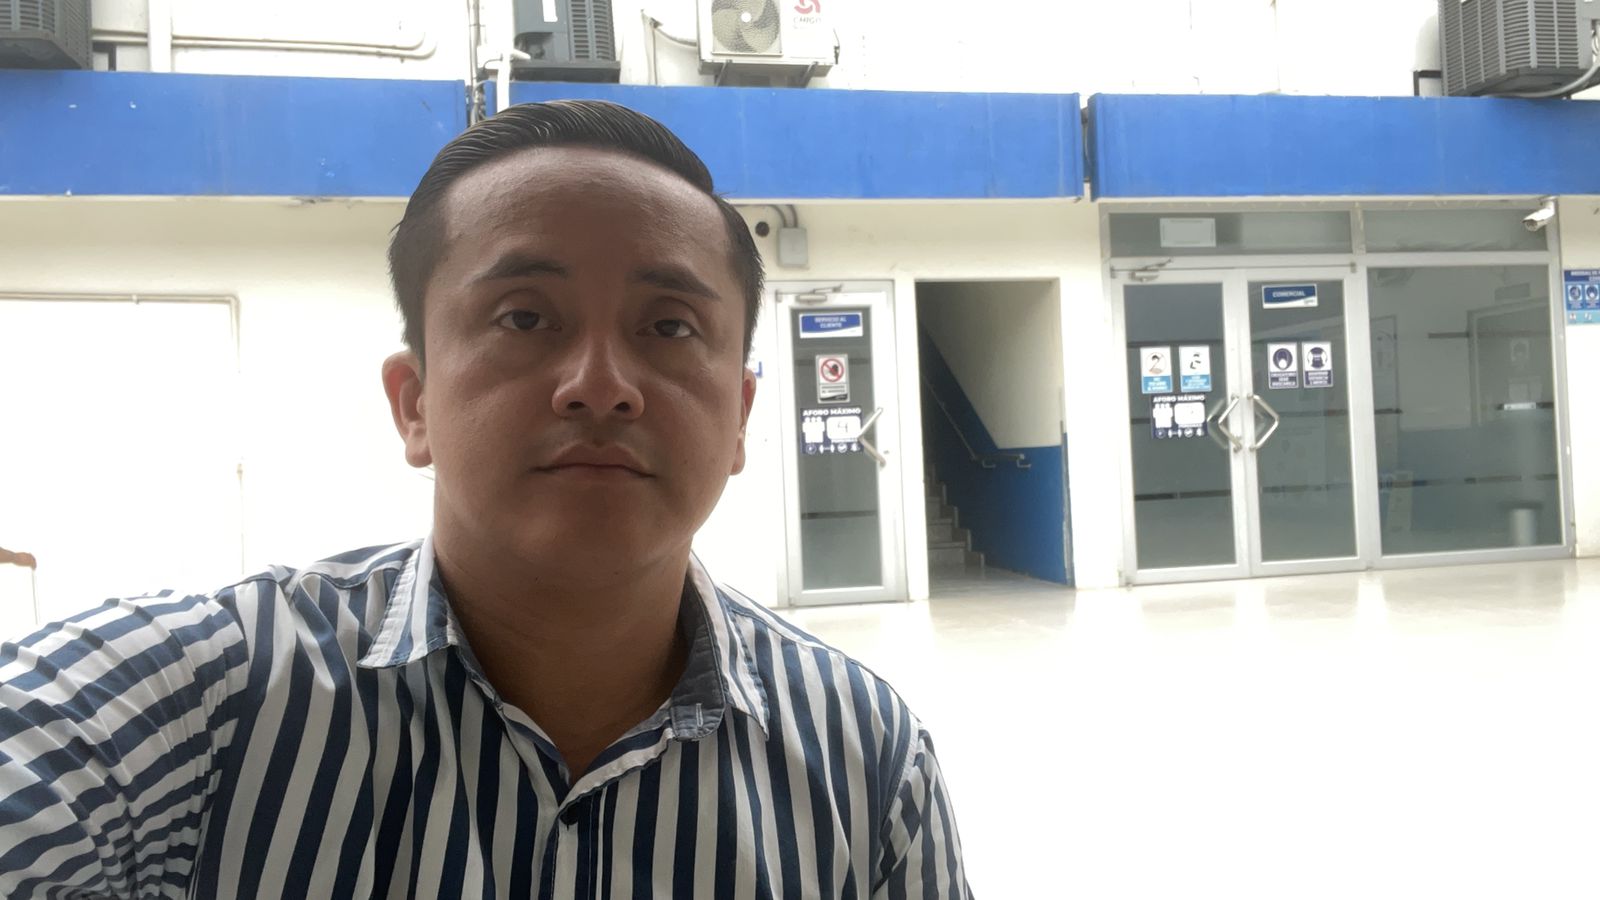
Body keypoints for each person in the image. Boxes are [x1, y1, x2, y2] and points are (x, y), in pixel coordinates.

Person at [0, 100, 970, 898]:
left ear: (741, 417)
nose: (601, 385)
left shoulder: (868, 762)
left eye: (670, 326)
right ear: (414, 403)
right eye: (524, 316)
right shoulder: (187, 709)